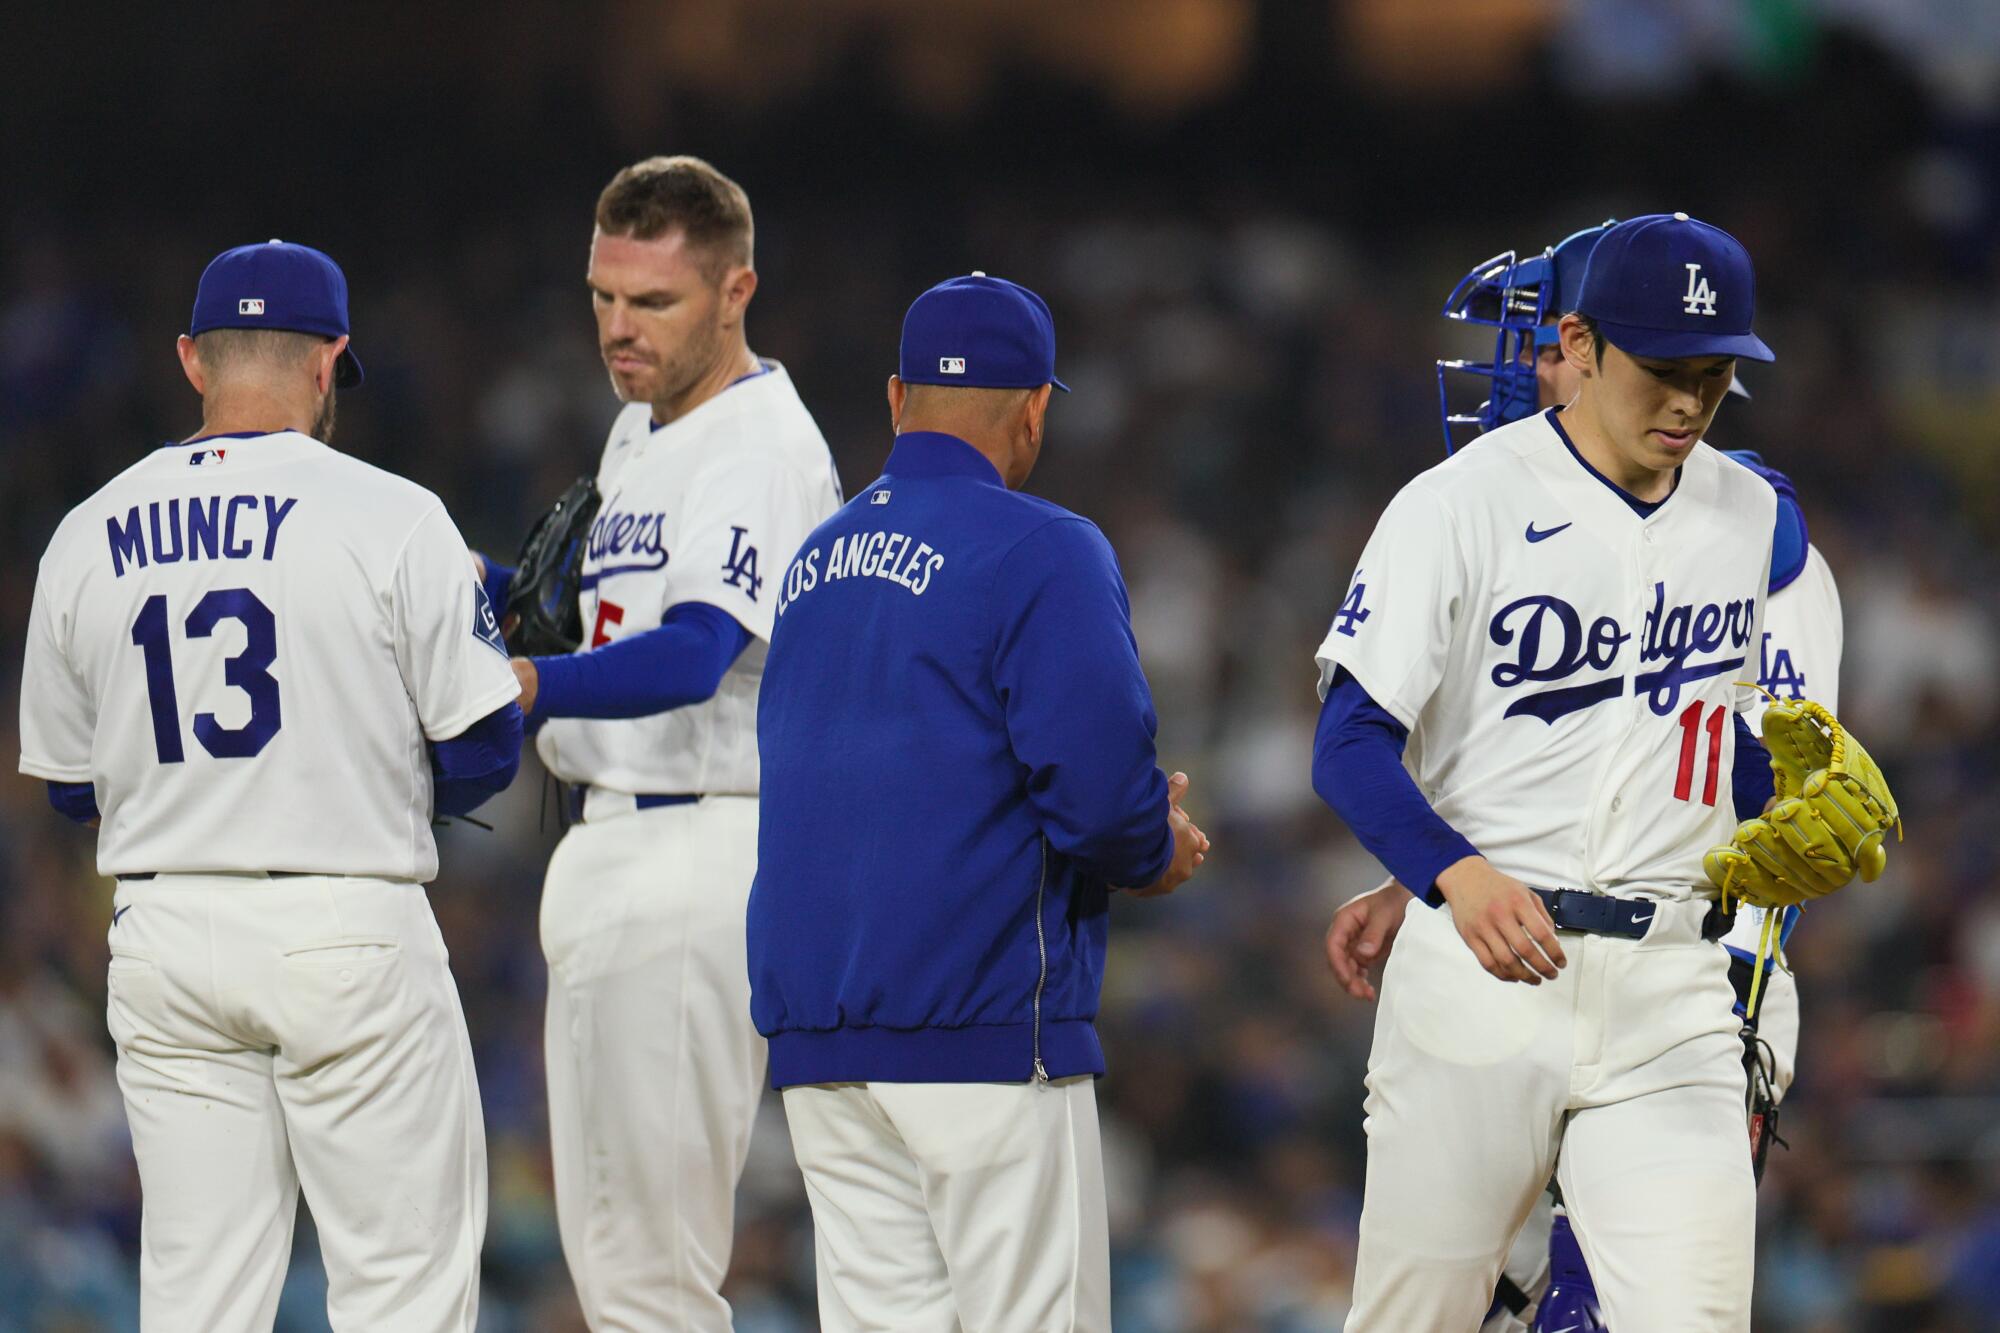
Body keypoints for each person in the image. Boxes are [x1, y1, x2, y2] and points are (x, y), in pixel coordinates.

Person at [1335, 218, 1846, 1331]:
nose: (1688, 402)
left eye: (1712, 378)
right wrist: (1438, 873)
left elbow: (1717, 771)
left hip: (1672, 987)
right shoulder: (1457, 501)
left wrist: (1795, 800)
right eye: (1664, 372)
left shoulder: (1753, 522)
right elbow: (1351, 741)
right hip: (1484, 978)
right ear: (1582, 341)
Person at [17, 239, 522, 1331]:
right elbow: (487, 750)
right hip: (345, 920)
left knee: (197, 1298)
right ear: (331, 358)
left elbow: (68, 789)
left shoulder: (84, 533)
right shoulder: (394, 515)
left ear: (194, 360)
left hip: (164, 932)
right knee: (400, 1289)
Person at [747, 273, 1210, 1332]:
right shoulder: (1042, 547)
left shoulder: (814, 562)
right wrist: (1155, 846)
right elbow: (1098, 799)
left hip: (825, 1044)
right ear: (1038, 407)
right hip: (980, 1026)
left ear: (896, 395)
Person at [473, 156, 841, 1331]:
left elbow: (691, 655)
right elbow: (568, 620)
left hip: (695, 844)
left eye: (653, 302)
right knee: (620, 1262)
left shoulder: (755, 447)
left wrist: (528, 681)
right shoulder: (645, 430)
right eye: (602, 297)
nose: (618, 329)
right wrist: (420, 571)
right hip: (617, 846)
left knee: (654, 1271)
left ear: (736, 291)